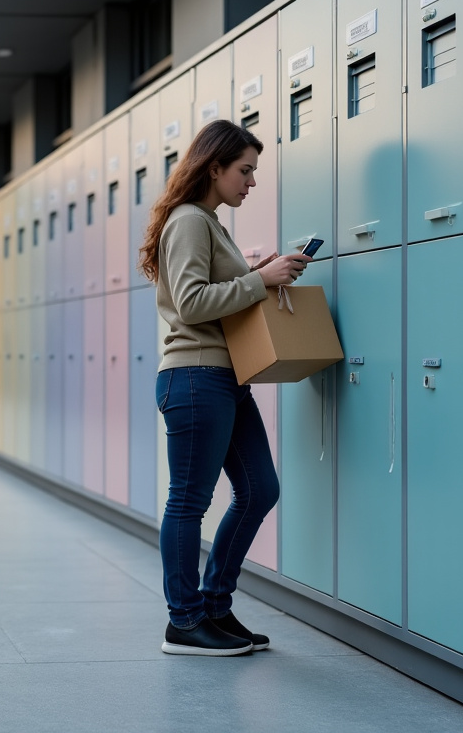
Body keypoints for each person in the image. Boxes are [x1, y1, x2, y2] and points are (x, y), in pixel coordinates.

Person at [136, 119, 311, 657]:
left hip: (226, 378)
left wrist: (260, 273)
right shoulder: (190, 220)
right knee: (189, 502)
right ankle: (183, 622)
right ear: (214, 167)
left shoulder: (208, 221)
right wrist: (261, 279)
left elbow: (215, 289)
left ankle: (214, 603)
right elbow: (190, 303)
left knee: (261, 489)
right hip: (195, 377)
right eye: (244, 170)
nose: (251, 182)